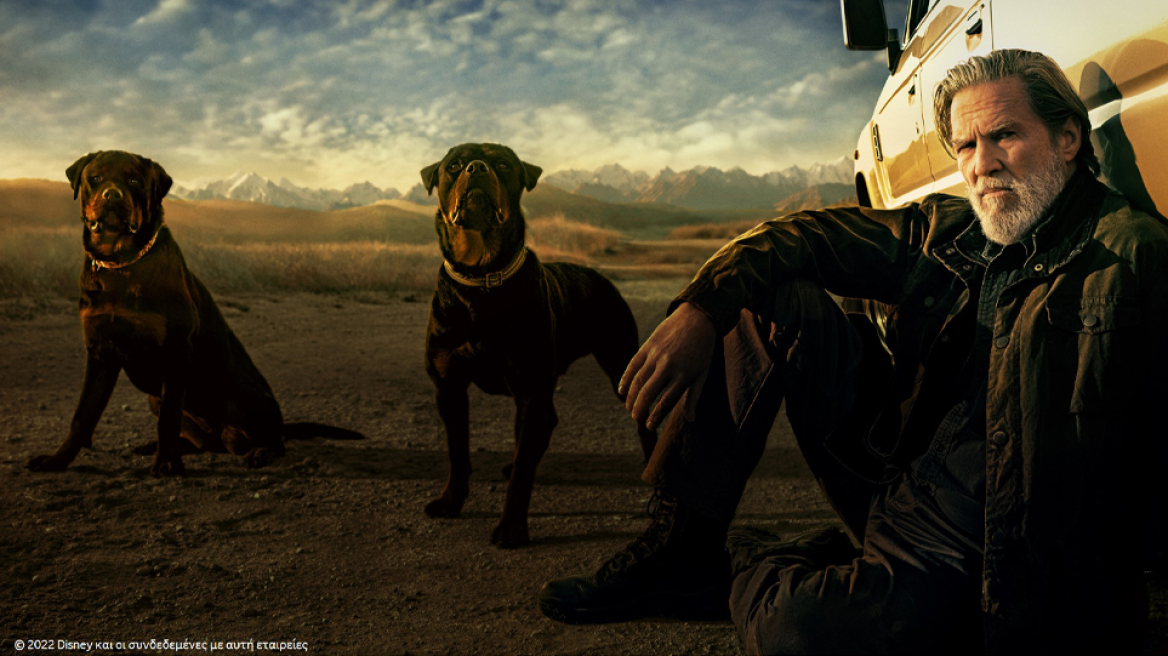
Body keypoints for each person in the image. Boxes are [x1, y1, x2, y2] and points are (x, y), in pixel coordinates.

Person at [538, 49, 1168, 654]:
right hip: (890, 478)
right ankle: (683, 546)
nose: (984, 165)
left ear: (1068, 140)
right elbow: (801, 235)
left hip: (975, 549)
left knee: (797, 631)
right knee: (768, 292)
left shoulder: (1129, 260)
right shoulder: (950, 232)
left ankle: (754, 558)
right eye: (968, 146)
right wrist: (701, 308)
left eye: (1005, 135)